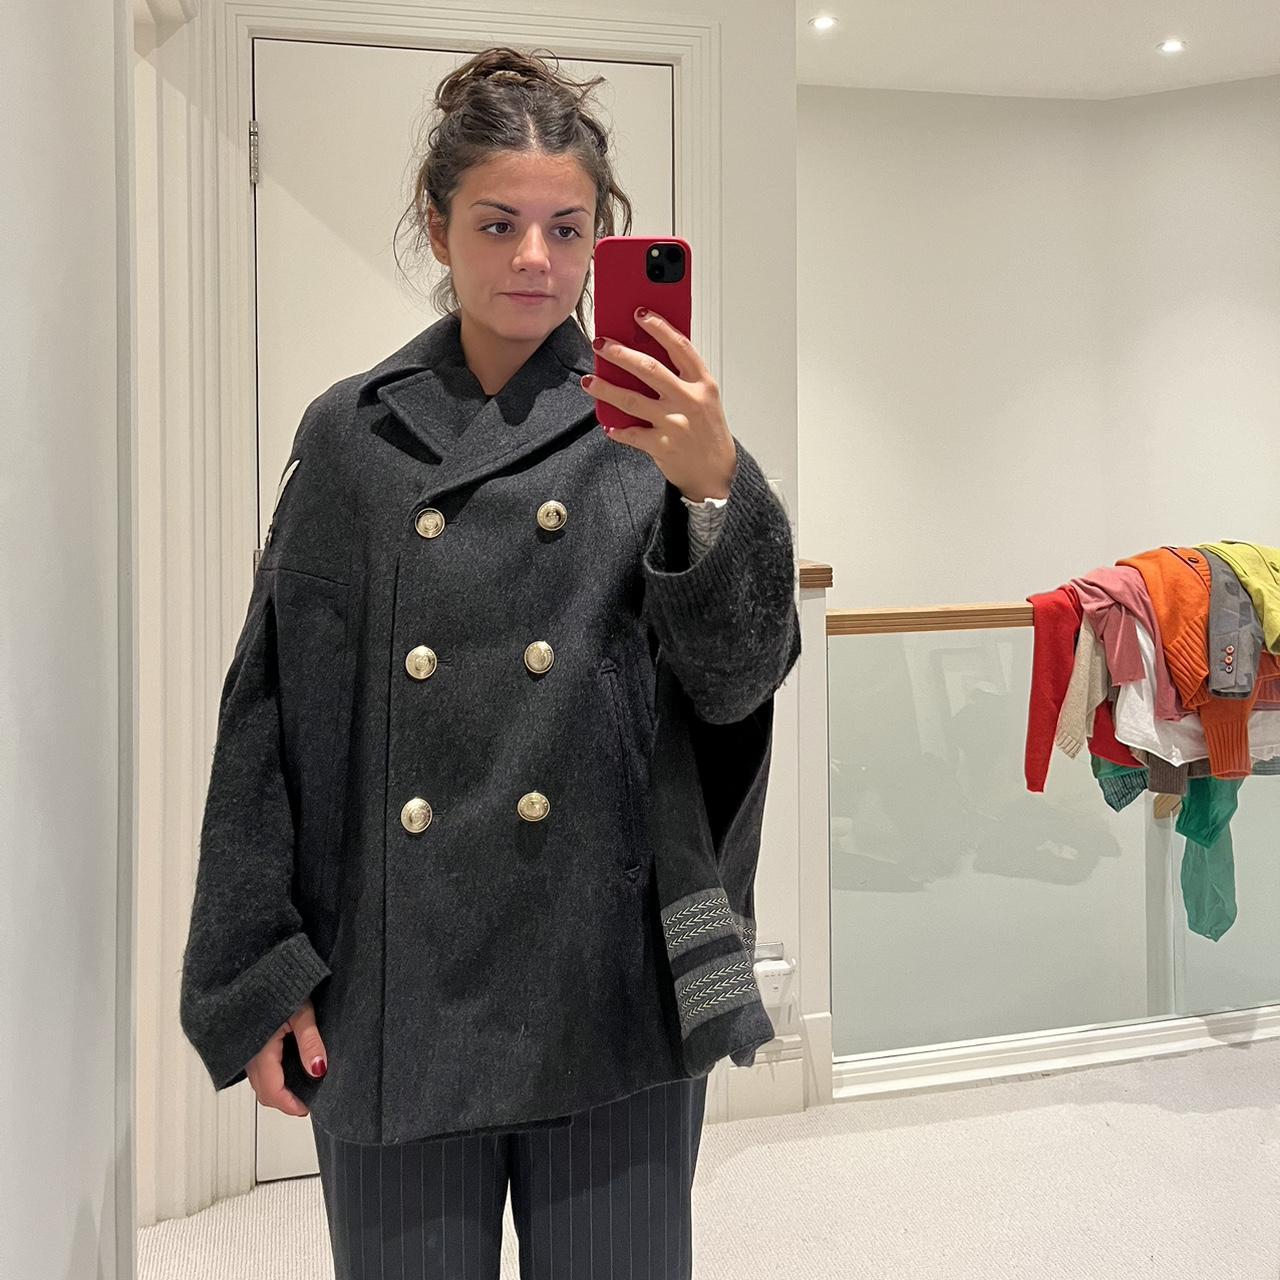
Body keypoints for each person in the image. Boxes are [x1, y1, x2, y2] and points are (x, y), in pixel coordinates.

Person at [179, 43, 800, 1279]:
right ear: (437, 227)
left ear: (600, 239)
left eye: (566, 228)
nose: (533, 258)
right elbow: (269, 710)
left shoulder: (659, 429)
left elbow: (736, 681)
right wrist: (258, 966)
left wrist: (716, 490)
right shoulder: (351, 434)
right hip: (395, 979)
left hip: (606, 977)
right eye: (497, 223)